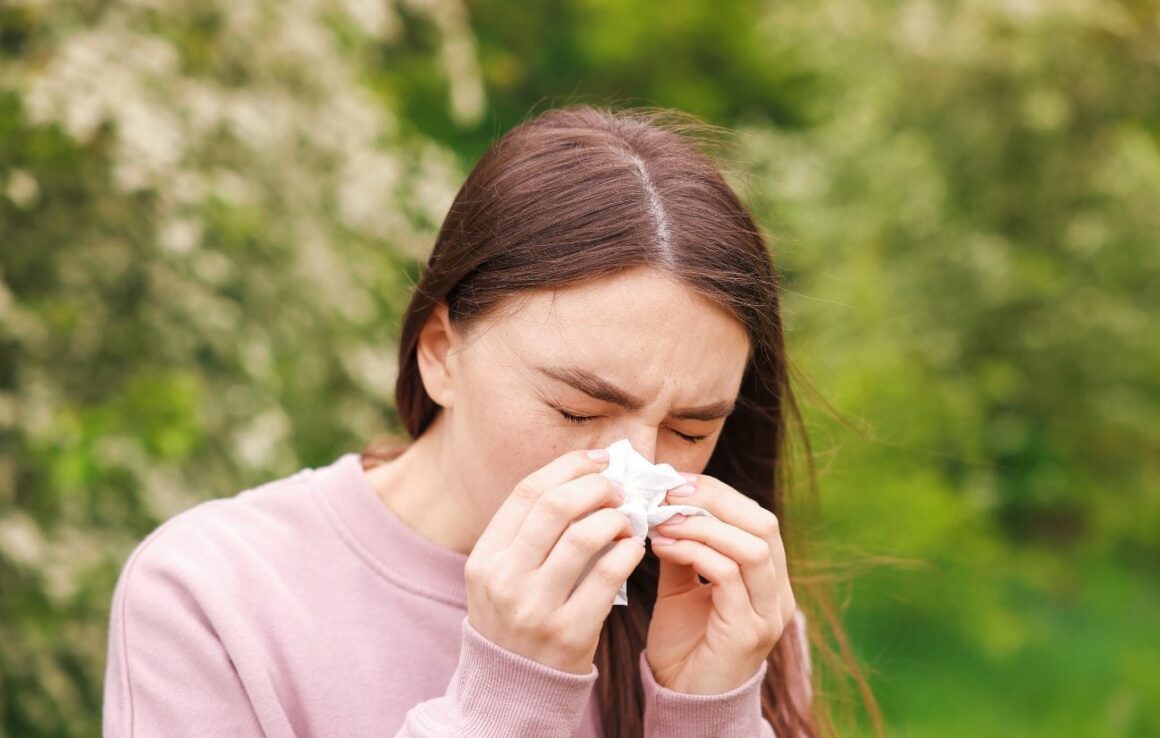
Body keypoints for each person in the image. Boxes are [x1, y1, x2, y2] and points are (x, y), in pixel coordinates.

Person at [103, 106, 823, 737]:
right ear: (442, 354)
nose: (632, 470)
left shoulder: (724, 610)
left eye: (692, 430)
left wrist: (709, 715)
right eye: (577, 409)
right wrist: (507, 699)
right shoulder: (212, 596)